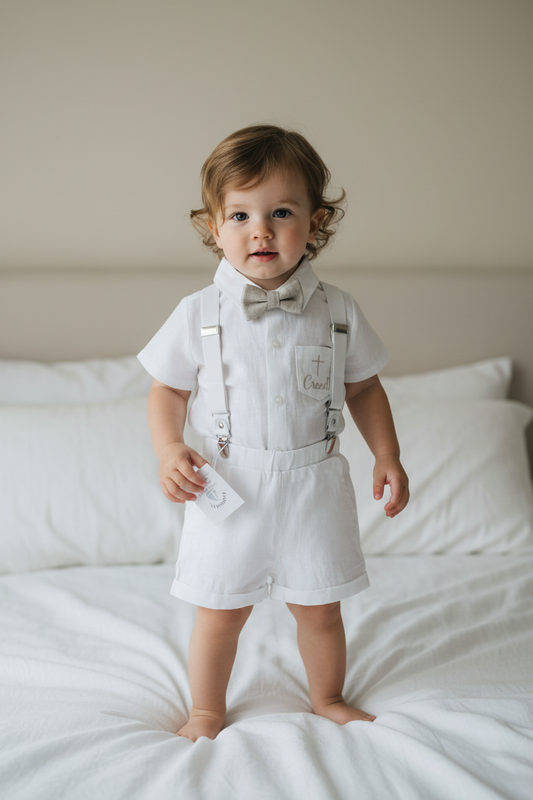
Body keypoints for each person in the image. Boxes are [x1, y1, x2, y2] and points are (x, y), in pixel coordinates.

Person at [138, 124, 409, 742]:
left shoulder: (338, 309)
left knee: (320, 610)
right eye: (239, 214)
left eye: (281, 212)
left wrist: (387, 454)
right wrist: (169, 445)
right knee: (220, 612)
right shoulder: (196, 313)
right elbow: (167, 389)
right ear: (213, 227)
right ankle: (206, 710)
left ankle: (329, 696)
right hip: (228, 484)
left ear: (314, 224)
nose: (260, 230)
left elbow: (364, 386)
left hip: (314, 481)